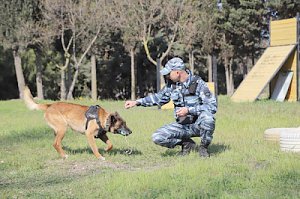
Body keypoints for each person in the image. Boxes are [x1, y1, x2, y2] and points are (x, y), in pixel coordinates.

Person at [124, 57, 217, 157]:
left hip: (198, 125)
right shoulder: (171, 85)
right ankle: (187, 144)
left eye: (169, 73)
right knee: (157, 137)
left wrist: (189, 110)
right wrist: (137, 102)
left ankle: (203, 148)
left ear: (177, 72)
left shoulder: (198, 83)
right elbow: (159, 98)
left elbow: (212, 106)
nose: (167, 76)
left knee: (208, 119)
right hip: (182, 126)